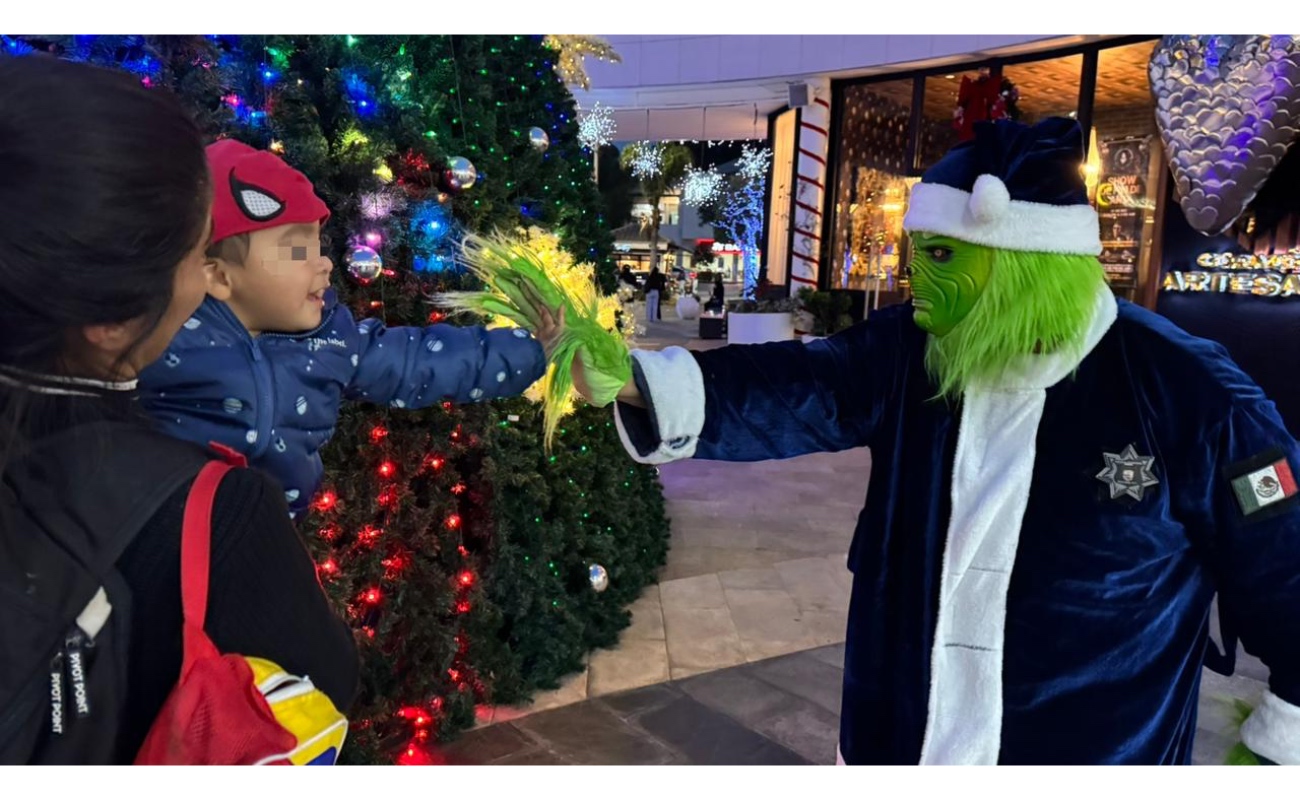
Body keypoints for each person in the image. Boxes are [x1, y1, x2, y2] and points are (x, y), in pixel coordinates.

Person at [569, 118, 1300, 764]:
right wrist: (632, 379)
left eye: (942, 256)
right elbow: (798, 383)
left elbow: (1284, 558)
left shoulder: (1188, 390)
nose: (909, 275)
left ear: (1022, 261)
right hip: (897, 739)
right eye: (915, 248)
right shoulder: (910, 352)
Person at [0, 56, 357, 763]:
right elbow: (326, 698)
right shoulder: (216, 514)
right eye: (199, 257)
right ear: (108, 317)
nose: (208, 284)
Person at [137, 140, 549, 516]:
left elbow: (416, 362)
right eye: (296, 250)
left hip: (260, 543)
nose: (323, 262)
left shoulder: (333, 338)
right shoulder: (162, 333)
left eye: (316, 245)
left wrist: (533, 351)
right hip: (157, 536)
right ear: (219, 277)